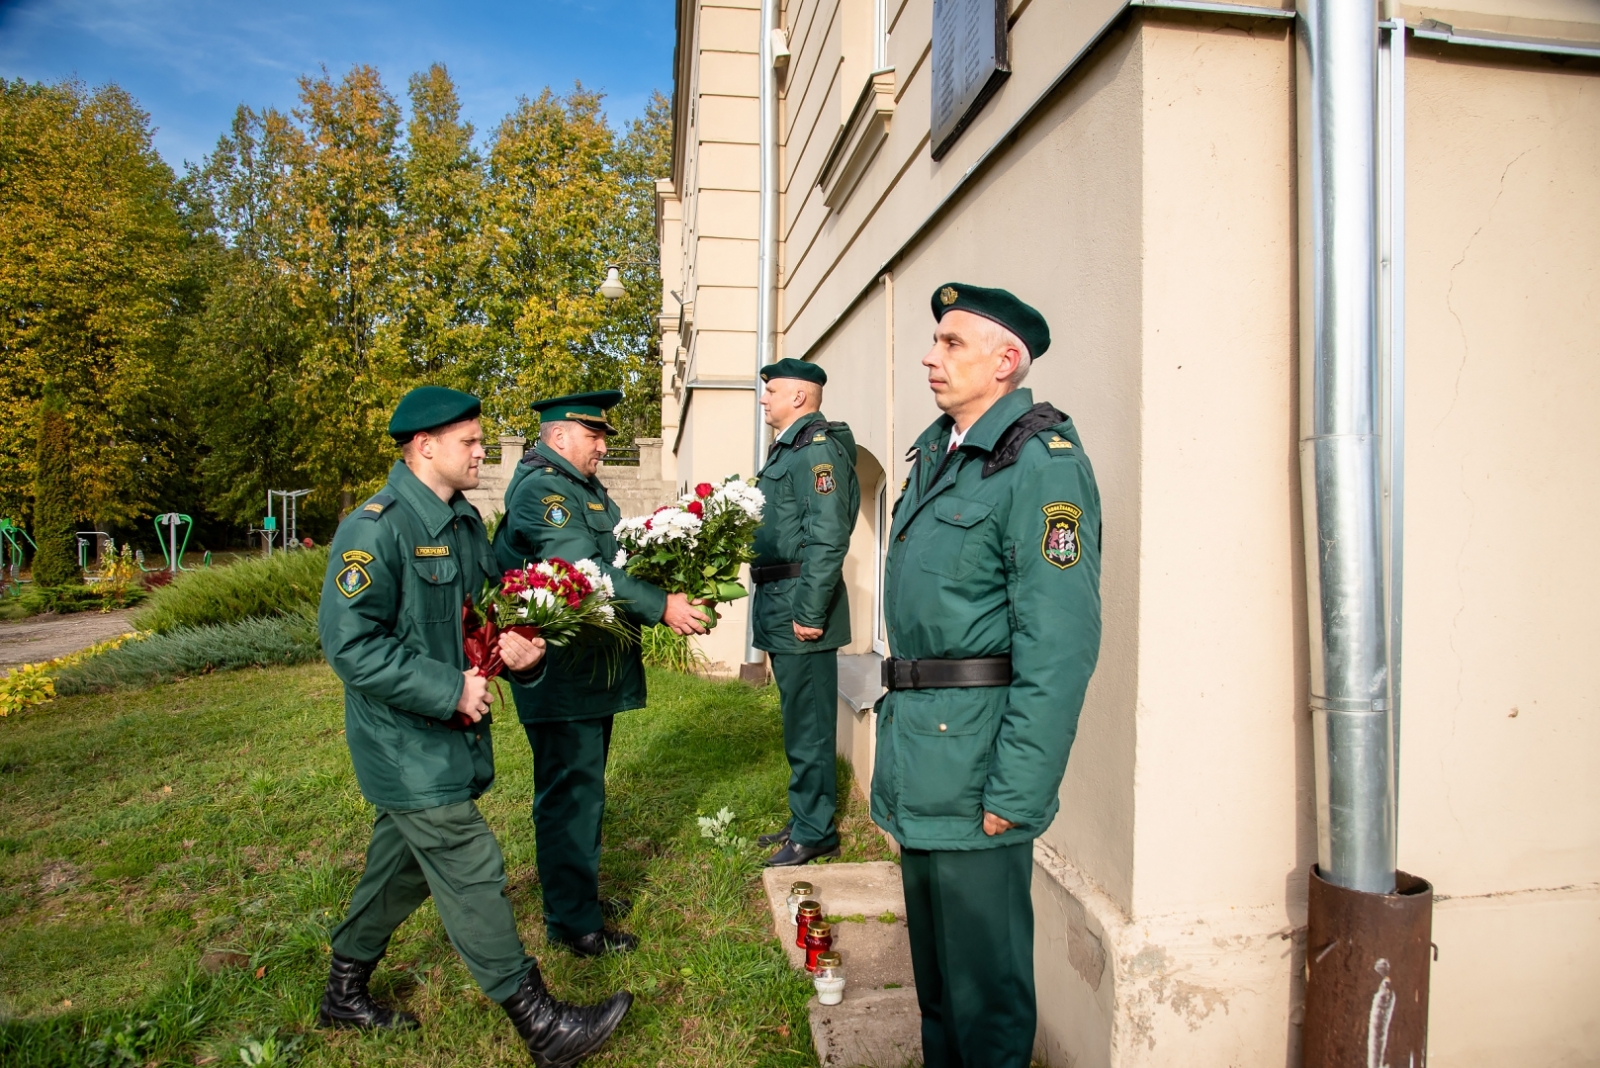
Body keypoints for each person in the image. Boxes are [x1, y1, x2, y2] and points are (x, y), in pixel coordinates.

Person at [317, 386, 632, 1067]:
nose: (482, 451)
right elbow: (350, 645)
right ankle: (541, 1023)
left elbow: (484, 610)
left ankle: (344, 990)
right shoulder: (377, 527)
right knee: (472, 868)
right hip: (403, 740)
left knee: (398, 871)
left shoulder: (460, 521)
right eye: (470, 441)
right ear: (424, 446)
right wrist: (448, 686)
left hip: (446, 733)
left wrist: (516, 644)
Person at [872, 285, 1103, 1068]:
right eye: (933, 342)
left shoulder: (1040, 466)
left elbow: (1060, 642)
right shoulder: (940, 454)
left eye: (951, 343)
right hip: (923, 756)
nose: (932, 357)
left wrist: (1019, 788)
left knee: (988, 994)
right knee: (938, 984)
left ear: (1006, 362)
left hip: (979, 772)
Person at [492, 390, 710, 956]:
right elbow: (582, 567)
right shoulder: (544, 490)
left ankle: (575, 898)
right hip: (561, 672)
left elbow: (616, 556)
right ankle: (572, 924)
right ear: (558, 437)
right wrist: (661, 604)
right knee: (571, 796)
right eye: (594, 435)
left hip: (584, 671)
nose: (604, 445)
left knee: (582, 791)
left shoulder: (580, 487)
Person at [748, 358, 860, 866]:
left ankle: (816, 831)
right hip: (780, 601)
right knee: (798, 721)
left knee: (810, 723)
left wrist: (811, 610)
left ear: (799, 396)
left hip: (800, 606)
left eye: (771, 390)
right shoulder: (789, 449)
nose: (764, 398)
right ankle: (804, 818)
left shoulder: (817, 451)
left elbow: (828, 534)